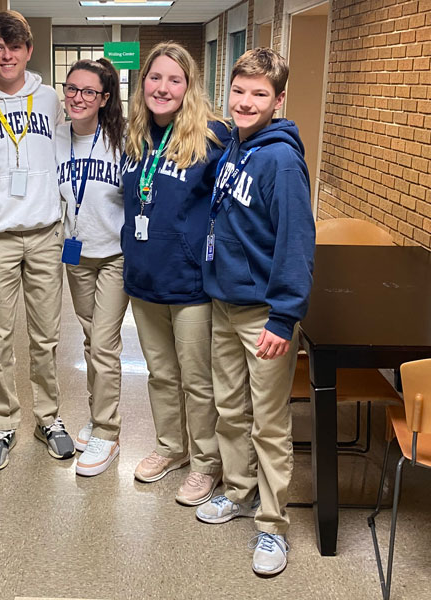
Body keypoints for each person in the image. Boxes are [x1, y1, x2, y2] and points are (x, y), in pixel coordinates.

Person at [194, 48, 315, 578]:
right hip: (225, 302)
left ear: (279, 100)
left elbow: (296, 242)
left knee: (269, 423)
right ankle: (240, 493)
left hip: (263, 312)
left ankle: (272, 526)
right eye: (239, 91)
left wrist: (284, 317)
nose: (246, 102)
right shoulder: (235, 148)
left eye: (260, 94)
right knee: (230, 410)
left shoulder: (281, 160)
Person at [0, 10, 73, 471]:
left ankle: (49, 419)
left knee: (45, 338)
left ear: (28, 51)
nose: (7, 55)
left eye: (15, 47)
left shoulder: (50, 101)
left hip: (45, 235)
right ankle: (3, 423)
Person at [120, 42, 229, 505]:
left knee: (195, 378)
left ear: (189, 87)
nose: (162, 88)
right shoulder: (135, 136)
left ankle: (206, 463)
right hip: (144, 277)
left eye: (174, 79)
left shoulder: (212, 136)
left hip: (190, 282)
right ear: (142, 82)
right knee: (160, 373)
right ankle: (171, 446)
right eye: (155, 78)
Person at [56, 58, 128, 477]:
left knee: (104, 343)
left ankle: (108, 431)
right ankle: (97, 414)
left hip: (116, 255)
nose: (78, 98)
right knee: (89, 340)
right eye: (72, 89)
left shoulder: (122, 139)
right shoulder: (56, 137)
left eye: (89, 92)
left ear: (104, 98)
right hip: (76, 255)